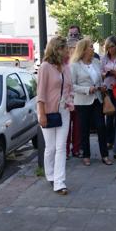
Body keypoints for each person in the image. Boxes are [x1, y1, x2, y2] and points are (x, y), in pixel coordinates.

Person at [37, 36, 74, 195]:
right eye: (65, 48)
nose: (68, 51)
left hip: (64, 111)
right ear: (57, 49)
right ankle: (50, 174)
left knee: (61, 148)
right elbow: (41, 93)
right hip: (48, 112)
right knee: (50, 148)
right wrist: (42, 114)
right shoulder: (45, 67)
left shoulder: (66, 67)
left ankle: (59, 182)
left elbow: (69, 87)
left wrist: (69, 100)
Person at [70, 38, 112, 166]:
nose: (93, 49)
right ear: (83, 50)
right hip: (82, 102)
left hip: (97, 99)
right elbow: (72, 86)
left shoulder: (96, 62)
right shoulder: (75, 65)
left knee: (101, 127)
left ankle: (104, 155)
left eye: (92, 47)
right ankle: (86, 155)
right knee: (84, 129)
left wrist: (102, 86)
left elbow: (99, 79)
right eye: (90, 47)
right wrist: (87, 89)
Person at [100, 36, 116, 150]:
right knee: (109, 115)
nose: (110, 49)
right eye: (108, 47)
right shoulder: (104, 58)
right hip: (108, 88)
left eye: (112, 46)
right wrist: (105, 74)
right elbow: (100, 72)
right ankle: (109, 140)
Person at [65, 36, 81, 159]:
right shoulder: (63, 63)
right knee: (66, 126)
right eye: (72, 48)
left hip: (78, 97)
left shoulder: (79, 63)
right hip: (66, 99)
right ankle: (65, 151)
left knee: (77, 125)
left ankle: (76, 149)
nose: (73, 50)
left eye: (75, 48)